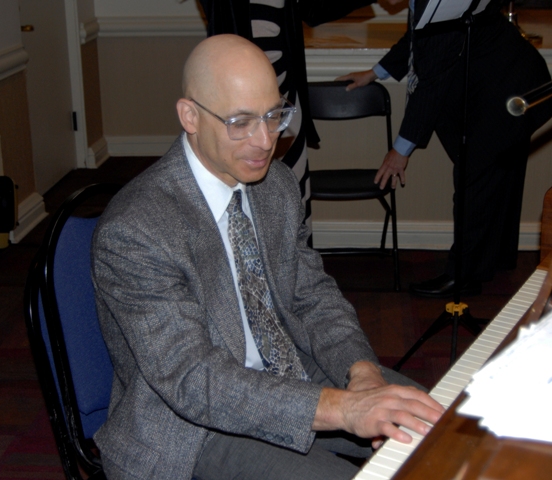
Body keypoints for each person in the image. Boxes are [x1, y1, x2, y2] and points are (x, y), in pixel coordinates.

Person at [91, 34, 443, 480]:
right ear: (190, 116)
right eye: (240, 121)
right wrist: (344, 408)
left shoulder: (275, 185)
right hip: (191, 426)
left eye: (274, 115)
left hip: (288, 369)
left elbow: (313, 297)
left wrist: (362, 374)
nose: (265, 141)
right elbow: (193, 380)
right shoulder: (136, 229)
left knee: (444, 433)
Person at [337, 0, 552, 298]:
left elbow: (431, 81)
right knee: (492, 177)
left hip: (510, 88)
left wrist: (400, 151)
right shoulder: (428, 3)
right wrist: (375, 72)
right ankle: (493, 260)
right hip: (500, 81)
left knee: (473, 181)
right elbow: (419, 39)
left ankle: (463, 276)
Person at [199, 0, 376, 229]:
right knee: (244, 198)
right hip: (236, 101)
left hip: (286, 98)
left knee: (295, 193)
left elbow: (312, 10)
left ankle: (296, 253)